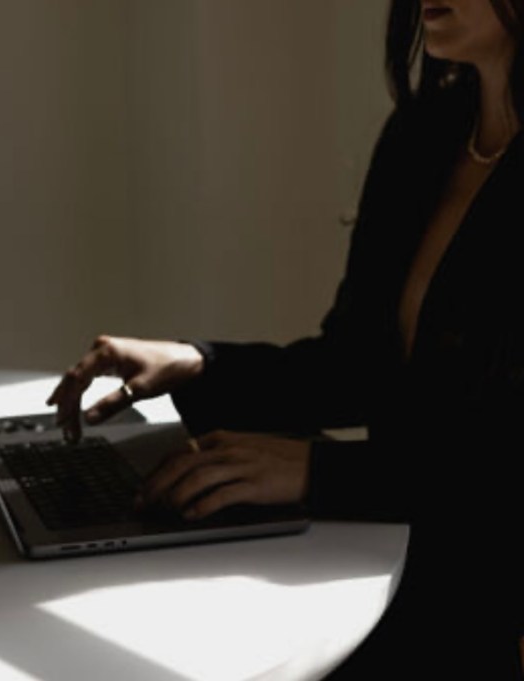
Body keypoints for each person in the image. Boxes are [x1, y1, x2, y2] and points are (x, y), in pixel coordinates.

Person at [47, 0, 524, 676]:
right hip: (385, 549)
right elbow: (356, 366)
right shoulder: (424, 134)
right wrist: (195, 363)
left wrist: (316, 472)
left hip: (482, 593)